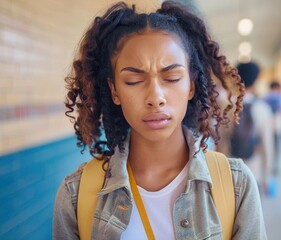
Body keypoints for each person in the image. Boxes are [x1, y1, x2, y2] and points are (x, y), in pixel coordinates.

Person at [53, 1, 267, 239]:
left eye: (172, 78)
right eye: (133, 81)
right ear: (114, 91)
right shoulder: (76, 195)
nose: (156, 98)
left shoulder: (235, 185)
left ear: (191, 86)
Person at [234, 62, 274, 197]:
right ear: (256, 81)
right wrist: (266, 177)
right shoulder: (263, 108)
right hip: (253, 172)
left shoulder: (226, 107)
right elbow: (267, 146)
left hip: (229, 172)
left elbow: (219, 142)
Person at [264, 80, 281, 176]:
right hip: (279, 125)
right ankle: (276, 166)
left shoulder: (266, 98)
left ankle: (269, 165)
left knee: (270, 145)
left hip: (268, 125)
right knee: (278, 146)